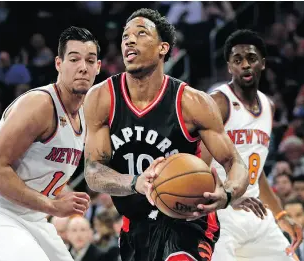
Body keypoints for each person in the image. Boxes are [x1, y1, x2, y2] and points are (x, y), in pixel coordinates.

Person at [83, 9, 264, 261]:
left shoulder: (192, 102)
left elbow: (234, 163)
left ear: (163, 48)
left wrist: (229, 193)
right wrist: (134, 182)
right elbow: (93, 171)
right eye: (125, 36)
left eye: (141, 33)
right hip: (135, 224)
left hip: (187, 221)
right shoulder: (101, 98)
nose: (129, 40)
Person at [0, 26, 101, 261]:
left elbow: (41, 170)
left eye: (90, 60)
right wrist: (53, 207)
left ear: (98, 67)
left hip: (30, 217)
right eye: (74, 59)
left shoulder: (86, 113)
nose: (83, 67)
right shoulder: (39, 105)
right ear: (58, 64)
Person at [200, 29, 303, 261]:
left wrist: (281, 214)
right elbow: (199, 165)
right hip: (221, 214)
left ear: (263, 64)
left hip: (256, 213)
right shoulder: (218, 102)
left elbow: (258, 175)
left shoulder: (269, 106)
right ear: (229, 67)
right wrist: (228, 195)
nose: (245, 65)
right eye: (238, 60)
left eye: (251, 58)